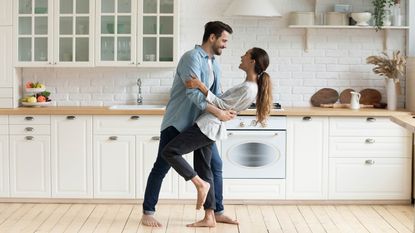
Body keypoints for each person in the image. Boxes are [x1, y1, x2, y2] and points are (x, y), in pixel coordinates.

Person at [141, 21, 239, 227]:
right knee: (162, 166)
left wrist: (224, 108)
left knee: (215, 165)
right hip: (177, 122)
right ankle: (148, 212)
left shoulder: (214, 63)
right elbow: (193, 93)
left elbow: (215, 94)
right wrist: (218, 112)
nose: (225, 45)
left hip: (200, 125)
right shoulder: (191, 58)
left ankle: (217, 211)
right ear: (211, 37)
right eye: (223, 40)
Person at [163, 47, 273, 227]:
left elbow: (221, 104)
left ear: (252, 61)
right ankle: (210, 216)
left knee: (170, 151)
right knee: (205, 167)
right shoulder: (248, 85)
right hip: (209, 126)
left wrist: (200, 85)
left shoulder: (248, 88)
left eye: (245, 54)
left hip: (207, 126)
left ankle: (199, 184)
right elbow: (223, 101)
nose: (241, 55)